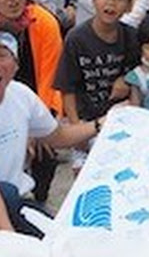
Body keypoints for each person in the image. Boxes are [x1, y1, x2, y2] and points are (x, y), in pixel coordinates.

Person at [0, 31, 101, 237]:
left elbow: (58, 137)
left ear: (16, 65)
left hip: (15, 201)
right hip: (5, 211)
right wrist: (11, 241)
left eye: (1, 56)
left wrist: (99, 125)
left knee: (65, 242)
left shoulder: (21, 95)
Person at [53, 0, 141, 171]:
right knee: (82, 174)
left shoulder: (131, 37)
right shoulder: (76, 39)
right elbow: (67, 88)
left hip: (118, 119)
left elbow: (143, 73)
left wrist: (127, 80)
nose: (111, 3)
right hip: (85, 119)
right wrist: (76, 129)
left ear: (128, 6)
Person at [0, 0, 64, 202]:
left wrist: (36, 127)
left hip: (35, 101)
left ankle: (36, 201)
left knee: (45, 148)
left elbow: (53, 76)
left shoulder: (42, 21)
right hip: (4, 103)